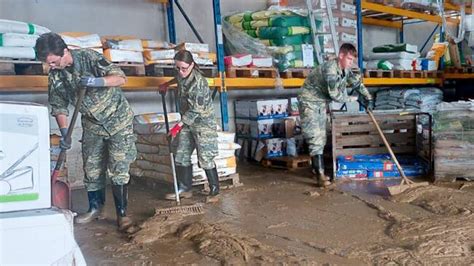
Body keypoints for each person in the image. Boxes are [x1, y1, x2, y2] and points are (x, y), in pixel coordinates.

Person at [35, 33, 137, 231]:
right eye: (49, 64)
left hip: (118, 121)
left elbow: (120, 78)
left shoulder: (89, 58)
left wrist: (96, 82)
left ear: (64, 52)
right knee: (91, 167)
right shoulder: (56, 75)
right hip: (92, 125)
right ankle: (95, 208)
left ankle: (122, 214)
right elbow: (59, 105)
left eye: (54, 62)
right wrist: (65, 132)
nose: (52, 66)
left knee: (118, 168)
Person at [297, 43, 373, 187]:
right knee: (315, 136)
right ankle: (319, 175)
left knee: (322, 135)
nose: (351, 63)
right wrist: (355, 99)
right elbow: (335, 95)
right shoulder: (330, 69)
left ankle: (316, 169)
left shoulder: (345, 70)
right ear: (341, 56)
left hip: (320, 102)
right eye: (349, 59)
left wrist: (368, 97)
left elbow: (356, 83)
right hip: (309, 101)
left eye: (353, 60)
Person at [159, 50, 220, 200]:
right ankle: (184, 189)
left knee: (205, 157)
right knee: (181, 154)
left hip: (202, 123)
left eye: (184, 69)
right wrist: (167, 84)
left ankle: (214, 190)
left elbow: (195, 111)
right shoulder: (182, 75)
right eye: (178, 68)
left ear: (192, 65)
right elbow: (178, 79)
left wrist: (177, 126)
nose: (181, 72)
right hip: (187, 122)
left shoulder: (198, 83)